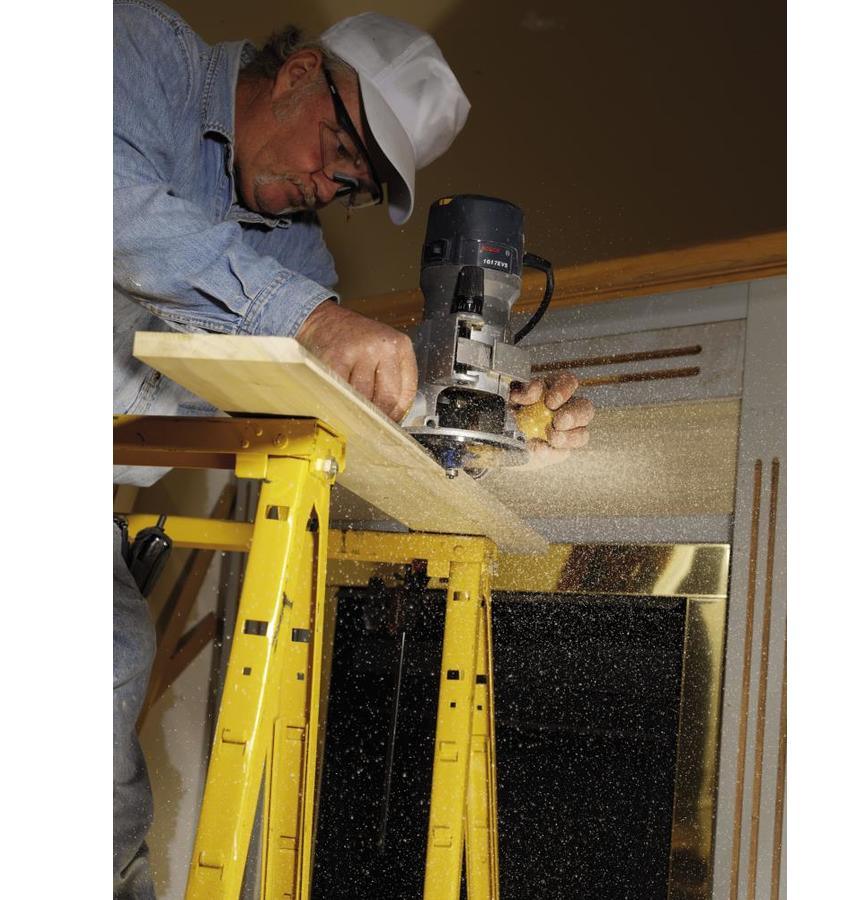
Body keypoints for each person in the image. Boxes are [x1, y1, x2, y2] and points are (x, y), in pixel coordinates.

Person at [113, 2, 594, 896]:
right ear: (301, 74)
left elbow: (352, 399)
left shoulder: (300, 262)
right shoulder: (139, 49)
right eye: (340, 151)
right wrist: (306, 320)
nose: (331, 185)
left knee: (109, 668)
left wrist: (492, 421)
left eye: (356, 184)